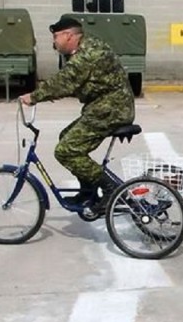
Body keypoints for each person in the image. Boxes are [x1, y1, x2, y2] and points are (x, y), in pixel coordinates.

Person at [20, 17, 135, 211]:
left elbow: (65, 82)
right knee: (66, 137)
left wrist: (34, 96)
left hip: (112, 110)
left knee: (65, 151)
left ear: (69, 35)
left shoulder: (88, 53)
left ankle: (111, 191)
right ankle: (88, 191)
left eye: (56, 36)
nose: (54, 42)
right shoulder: (85, 49)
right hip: (104, 108)